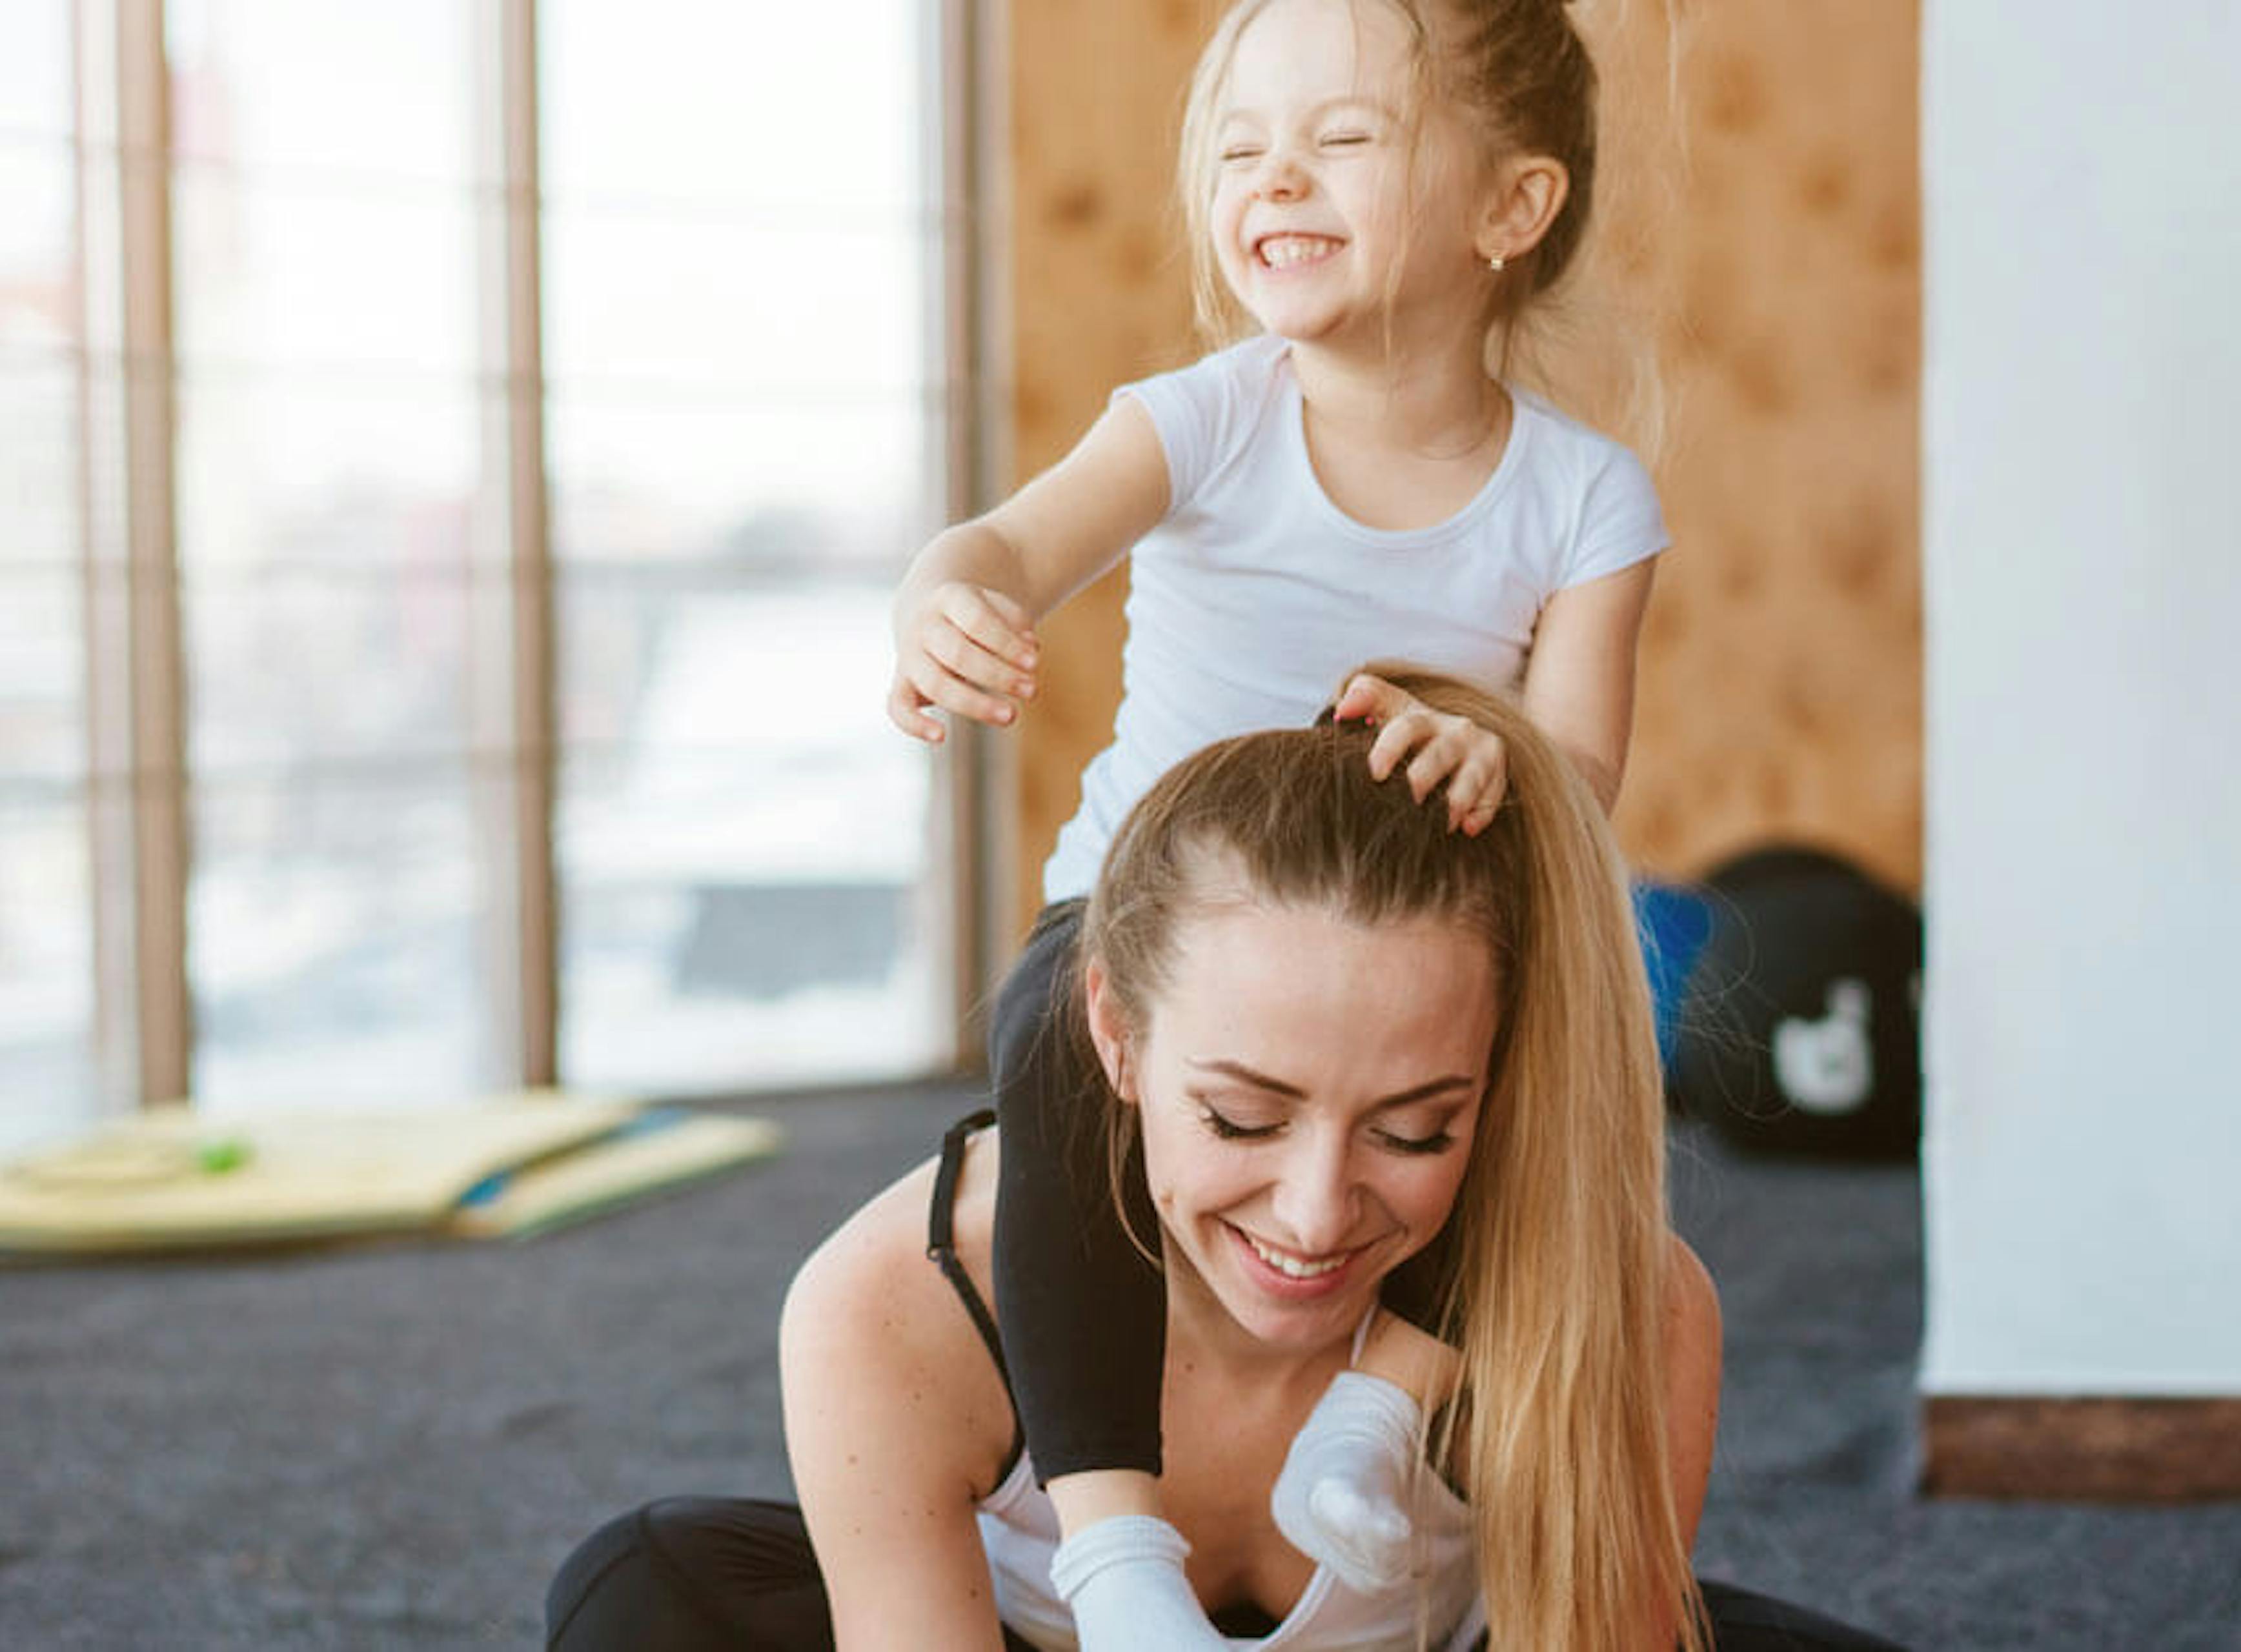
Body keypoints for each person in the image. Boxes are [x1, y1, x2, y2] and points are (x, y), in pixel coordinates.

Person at [547, 671, 1907, 1650]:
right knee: (651, 1591)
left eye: (1415, 1126)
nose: (1316, 1213)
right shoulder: (893, 1304)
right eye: (1246, 1118)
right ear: (1115, 1035)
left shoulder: (1629, 1300)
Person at [885, 0, 1669, 1575]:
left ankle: (1380, 1417)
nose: (1276, 178)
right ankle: (1116, 1551)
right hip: (1151, 925)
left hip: (1416, 957)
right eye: (1244, 147)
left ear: (1514, 208)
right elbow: (1007, 548)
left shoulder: (1586, 494)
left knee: (1547, 1050)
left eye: (1346, 138)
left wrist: (1502, 754)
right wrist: (945, 597)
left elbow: (1580, 771)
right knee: (1048, 1039)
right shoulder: (1206, 418)